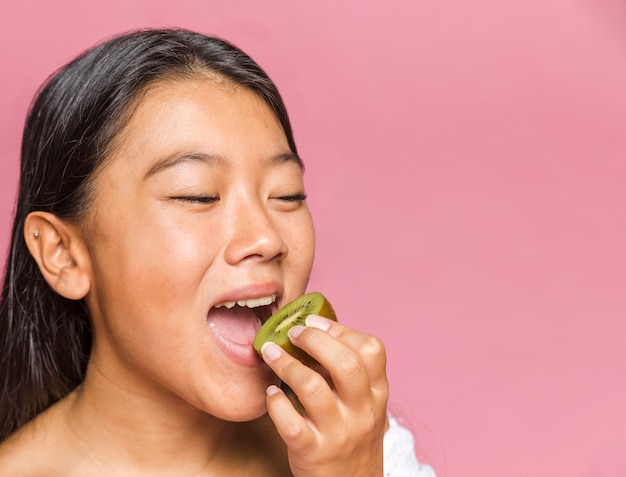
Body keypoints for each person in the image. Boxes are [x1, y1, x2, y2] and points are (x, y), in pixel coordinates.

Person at [0, 28, 434, 476]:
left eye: (286, 196)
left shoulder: (361, 450)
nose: (267, 238)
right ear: (64, 254)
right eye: (198, 195)